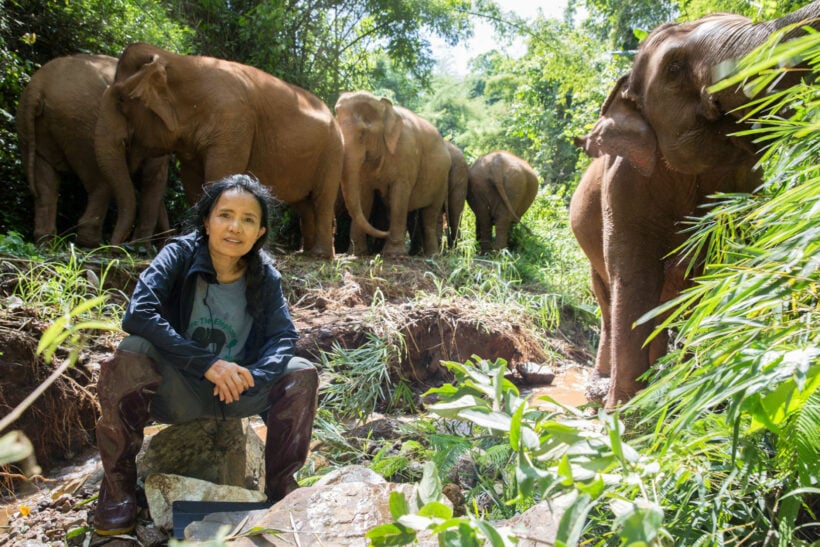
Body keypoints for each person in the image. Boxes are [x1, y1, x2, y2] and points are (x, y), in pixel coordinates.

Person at [93, 173, 318, 536]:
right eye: (225, 215)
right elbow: (138, 313)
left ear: (260, 231)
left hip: (240, 390)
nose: (235, 227)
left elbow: (283, 336)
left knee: (300, 371)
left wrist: (255, 376)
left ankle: (280, 487)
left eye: (248, 220)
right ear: (206, 221)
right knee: (133, 350)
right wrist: (208, 363)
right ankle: (118, 490)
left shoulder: (264, 273)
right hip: (180, 390)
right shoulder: (179, 255)